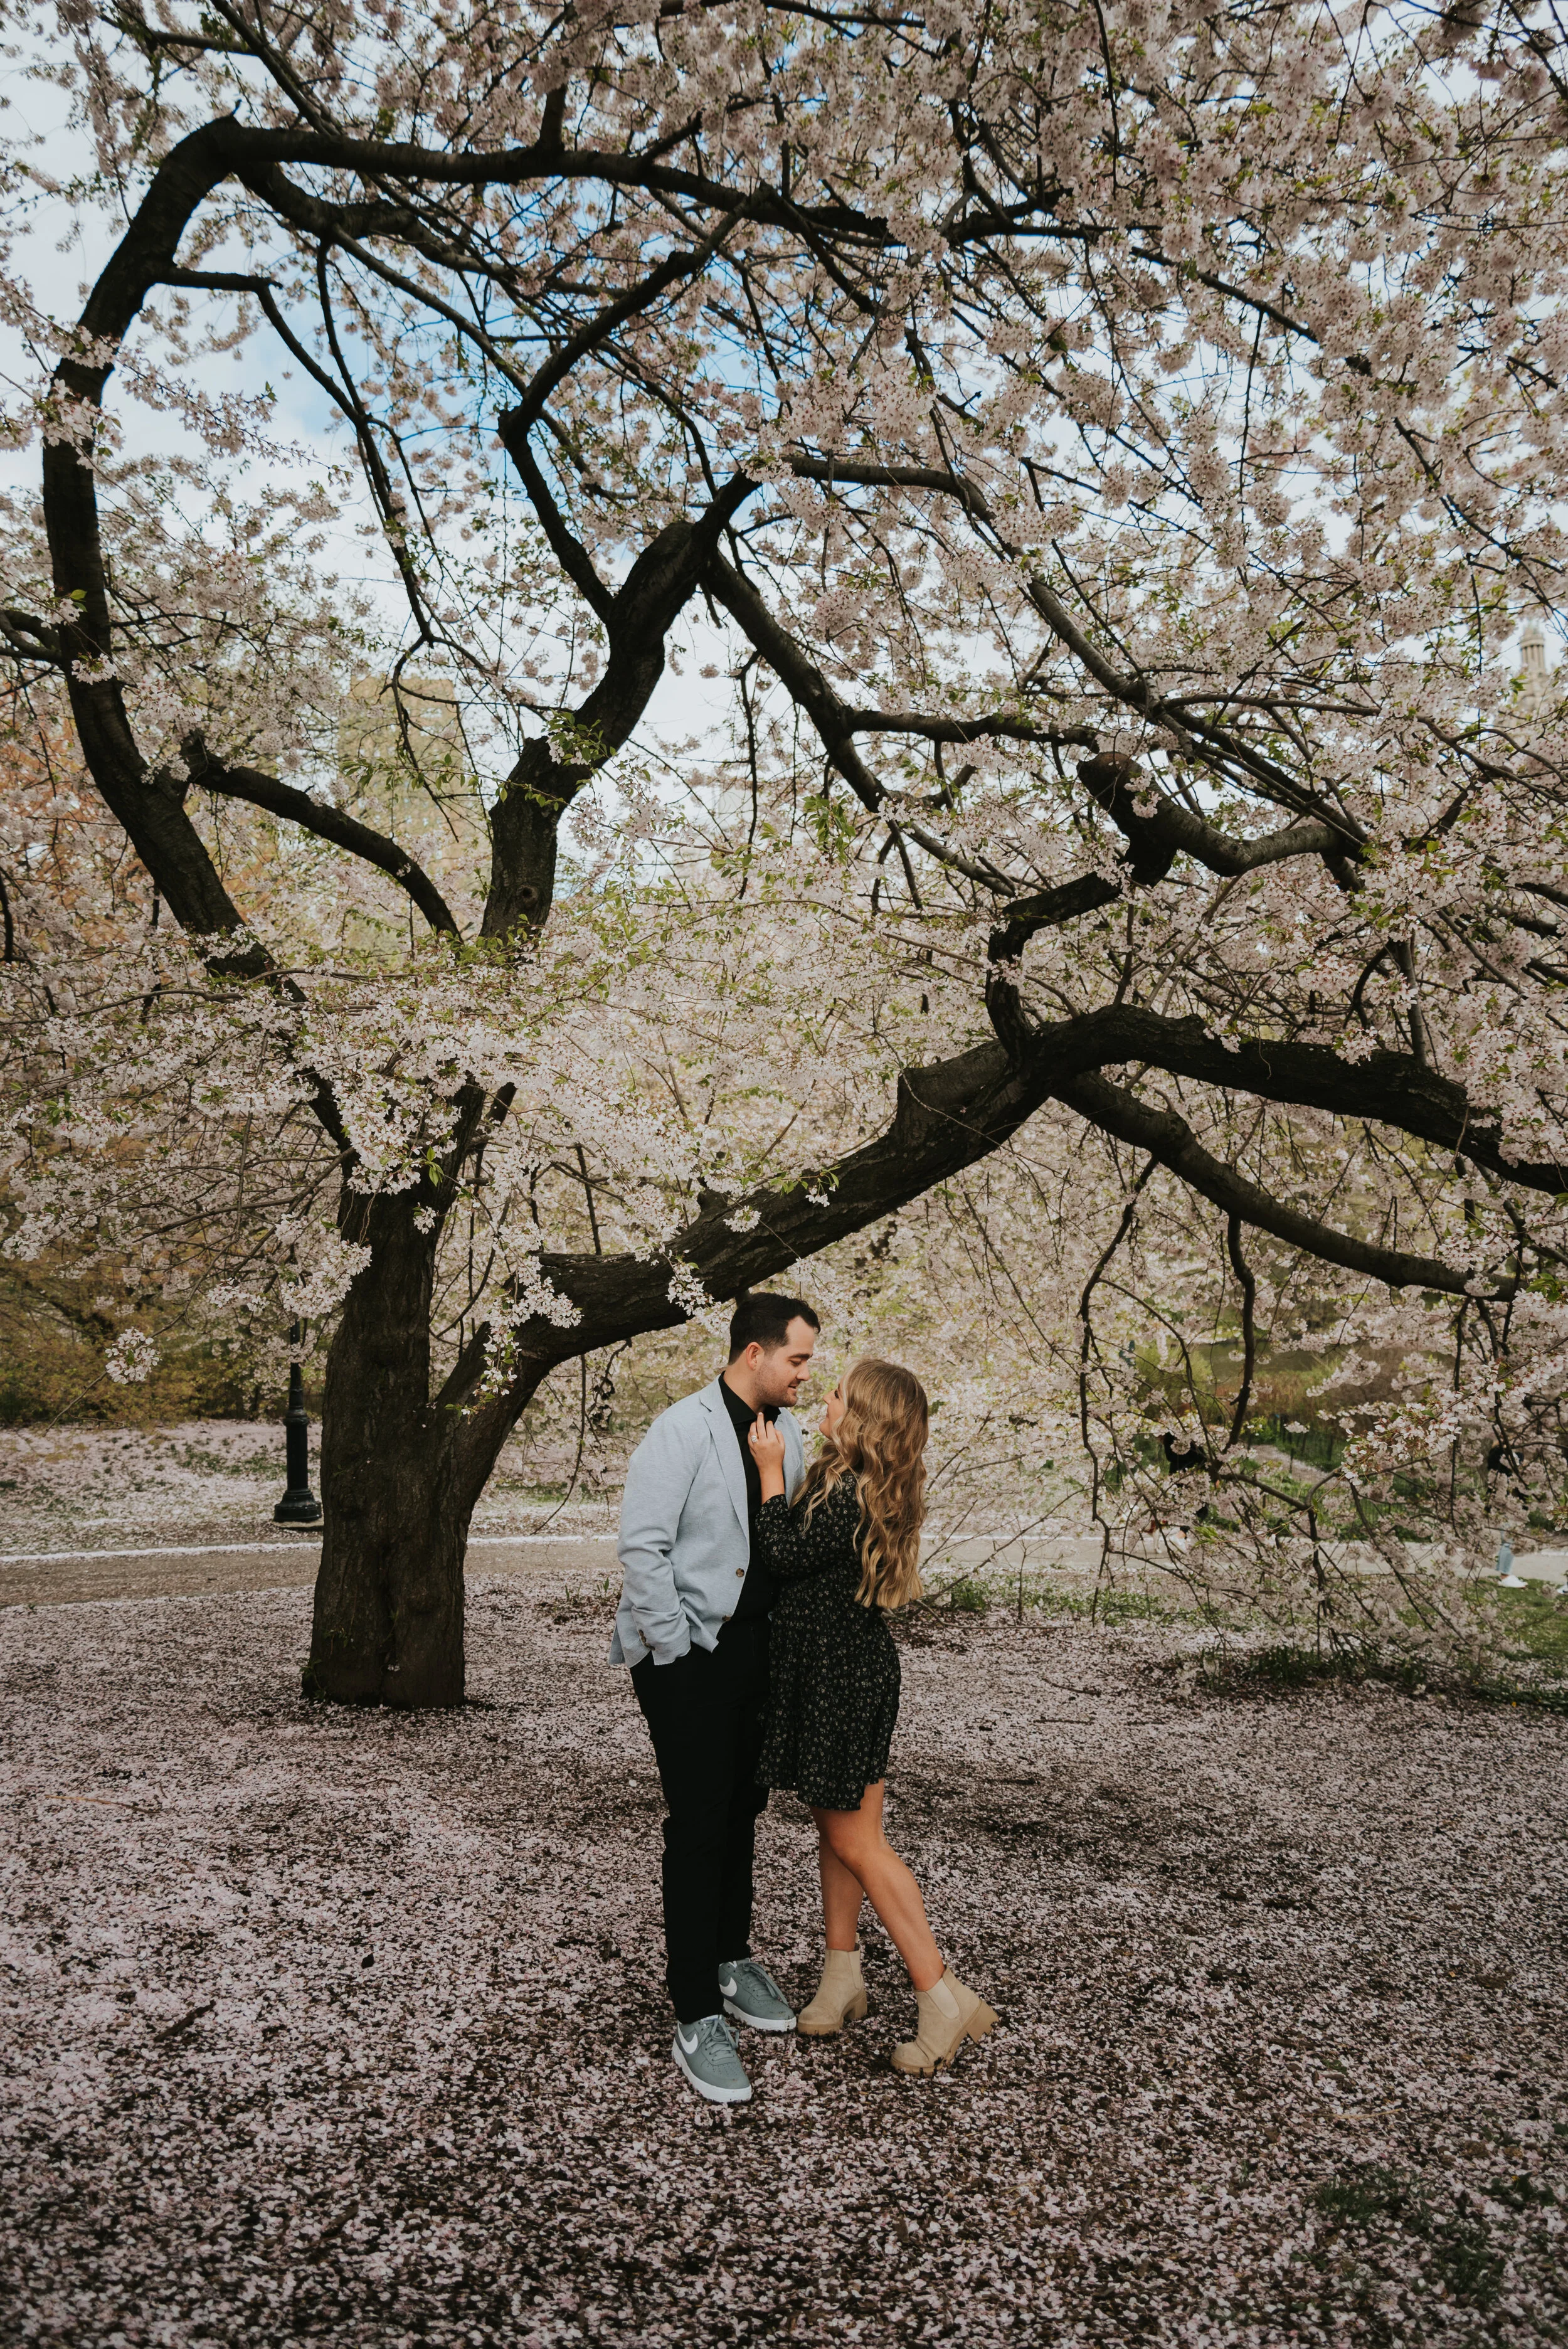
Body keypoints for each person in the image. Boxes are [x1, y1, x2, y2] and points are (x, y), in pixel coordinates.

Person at [748, 1358, 997, 2077]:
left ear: (863, 1419)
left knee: (858, 1841)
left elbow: (781, 1554)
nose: (821, 1400)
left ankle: (938, 1991)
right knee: (841, 1830)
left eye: (835, 1395)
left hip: (839, 1679)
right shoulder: (850, 1480)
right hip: (843, 1672)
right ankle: (842, 1975)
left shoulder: (854, 1493)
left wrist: (769, 1472)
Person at [611, 1291, 819, 2105]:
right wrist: (678, 1653)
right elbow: (643, 1546)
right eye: (797, 1359)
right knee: (699, 1822)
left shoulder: (788, 1433)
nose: (806, 1374)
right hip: (687, 1656)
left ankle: (732, 1959)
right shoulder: (682, 1429)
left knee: (742, 1809)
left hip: (759, 1657)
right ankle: (695, 2008)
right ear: (755, 1354)